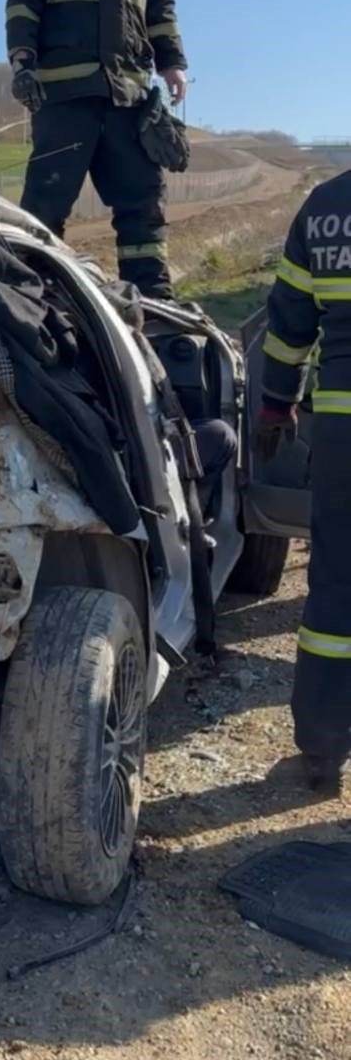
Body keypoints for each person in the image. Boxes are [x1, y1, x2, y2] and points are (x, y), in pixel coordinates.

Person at [5, 0, 188, 299]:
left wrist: (172, 62)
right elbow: (23, 0)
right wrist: (22, 60)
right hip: (64, 97)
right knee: (44, 209)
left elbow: (160, 4)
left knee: (143, 206)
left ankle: (155, 307)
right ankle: (34, 303)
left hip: (128, 98)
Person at [256, 169, 351, 796]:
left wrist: (274, 405)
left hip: (343, 430)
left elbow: (288, 327)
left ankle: (322, 750)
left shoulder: (325, 208)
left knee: (336, 593)